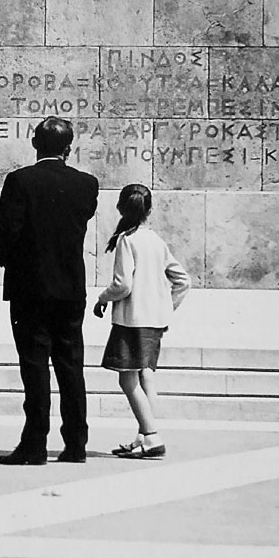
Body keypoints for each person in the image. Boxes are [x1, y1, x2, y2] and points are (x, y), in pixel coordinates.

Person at [0, 116, 99, 465]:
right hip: (70, 288)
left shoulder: (20, 181)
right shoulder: (87, 185)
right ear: (69, 148)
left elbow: (8, 231)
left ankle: (35, 443)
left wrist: (5, 258)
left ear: (35, 144)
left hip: (30, 288)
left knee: (35, 367)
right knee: (71, 366)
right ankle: (76, 444)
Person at [94, 183, 190, 459]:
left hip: (132, 321)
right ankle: (144, 434)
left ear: (121, 208)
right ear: (149, 210)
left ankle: (150, 435)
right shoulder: (156, 241)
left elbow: (122, 285)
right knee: (145, 374)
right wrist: (165, 308)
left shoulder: (128, 240)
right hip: (153, 321)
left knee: (127, 380)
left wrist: (102, 299)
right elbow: (183, 280)